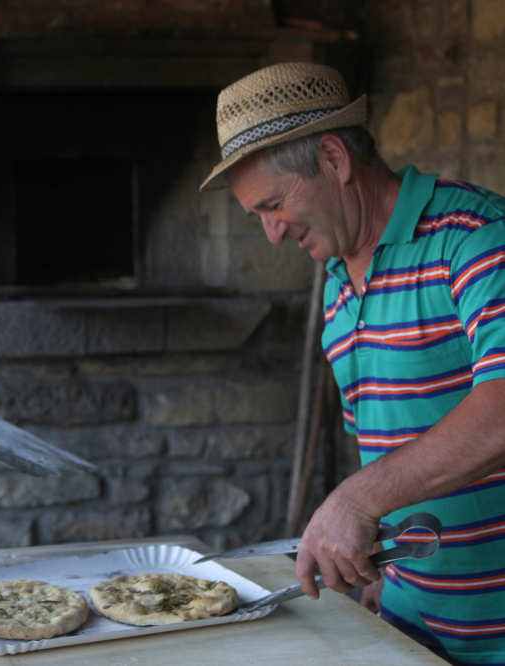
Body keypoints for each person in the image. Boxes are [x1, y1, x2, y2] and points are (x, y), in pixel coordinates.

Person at [201, 62, 505, 666]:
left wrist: (355, 501)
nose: (272, 232)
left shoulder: (474, 238)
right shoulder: (340, 293)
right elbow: (387, 447)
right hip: (409, 632)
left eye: (274, 204)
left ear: (336, 159)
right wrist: (377, 563)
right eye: (255, 215)